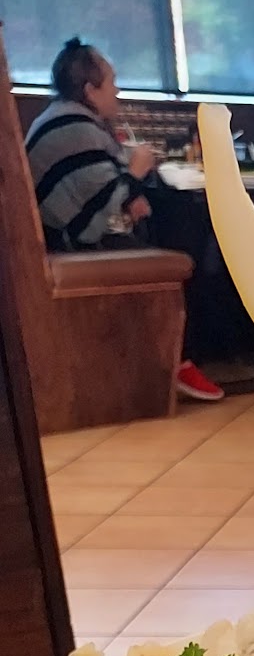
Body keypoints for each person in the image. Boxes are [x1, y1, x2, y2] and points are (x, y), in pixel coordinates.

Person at [24, 39, 224, 402]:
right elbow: (93, 207)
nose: (117, 91)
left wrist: (130, 192)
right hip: (67, 243)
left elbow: (96, 185)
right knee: (184, 232)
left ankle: (182, 353)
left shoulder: (64, 117)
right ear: (90, 89)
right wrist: (135, 174)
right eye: (112, 82)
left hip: (60, 235)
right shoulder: (75, 127)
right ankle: (176, 358)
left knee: (180, 224)